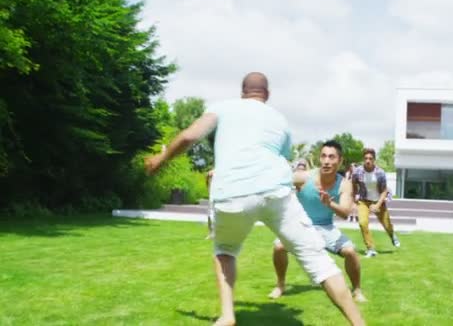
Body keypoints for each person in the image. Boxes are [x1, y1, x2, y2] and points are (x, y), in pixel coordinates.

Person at [144, 72, 364, 326]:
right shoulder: (279, 119)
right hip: (276, 192)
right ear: (266, 95)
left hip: (232, 193)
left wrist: (160, 159)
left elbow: (188, 137)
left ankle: (227, 314)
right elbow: (281, 157)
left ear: (242, 93)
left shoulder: (222, 108)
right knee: (320, 263)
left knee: (225, 250)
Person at [268, 140, 367, 302]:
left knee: (350, 252)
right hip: (300, 224)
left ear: (340, 161)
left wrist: (330, 203)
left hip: (326, 227)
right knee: (278, 246)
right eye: (323, 156)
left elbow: (345, 212)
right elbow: (271, 179)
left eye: (331, 157)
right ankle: (280, 285)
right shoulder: (303, 177)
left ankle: (356, 290)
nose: (326, 161)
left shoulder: (344, 184)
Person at [352, 148, 400, 258]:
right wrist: (355, 195)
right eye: (366, 158)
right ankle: (371, 249)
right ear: (363, 159)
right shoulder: (358, 171)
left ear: (374, 160)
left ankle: (392, 235)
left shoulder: (380, 173)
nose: (368, 161)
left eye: (370, 158)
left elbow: (384, 191)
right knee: (362, 223)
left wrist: (377, 205)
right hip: (364, 200)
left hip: (378, 200)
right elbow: (353, 183)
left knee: (387, 224)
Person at [205, 169, 215, 240]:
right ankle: (211, 233)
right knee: (210, 215)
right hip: (213, 196)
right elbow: (207, 182)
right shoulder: (211, 173)